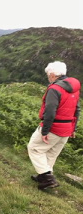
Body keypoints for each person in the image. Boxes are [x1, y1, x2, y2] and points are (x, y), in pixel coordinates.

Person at [27, 61, 80, 190]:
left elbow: (50, 111)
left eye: (47, 75)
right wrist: (73, 128)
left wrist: (44, 131)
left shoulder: (54, 89)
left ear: (52, 74)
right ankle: (43, 177)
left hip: (54, 127)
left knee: (34, 148)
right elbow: (76, 109)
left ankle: (47, 178)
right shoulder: (74, 88)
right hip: (67, 128)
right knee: (51, 153)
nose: (47, 77)